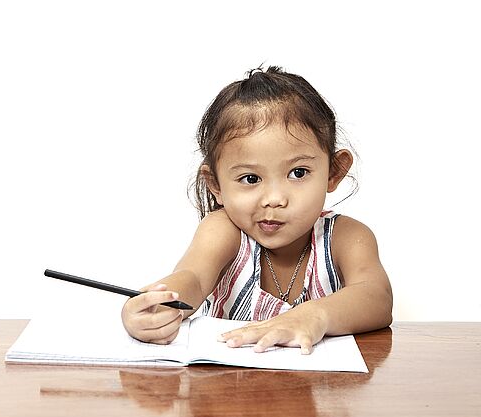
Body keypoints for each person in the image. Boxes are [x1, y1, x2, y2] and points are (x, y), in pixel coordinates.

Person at [121, 66, 392, 353]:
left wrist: (315, 315)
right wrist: (156, 304)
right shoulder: (224, 231)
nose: (274, 199)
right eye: (250, 179)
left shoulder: (345, 237)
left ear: (333, 173)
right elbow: (193, 278)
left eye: (298, 173)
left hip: (317, 393)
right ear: (216, 185)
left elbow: (377, 297)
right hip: (232, 392)